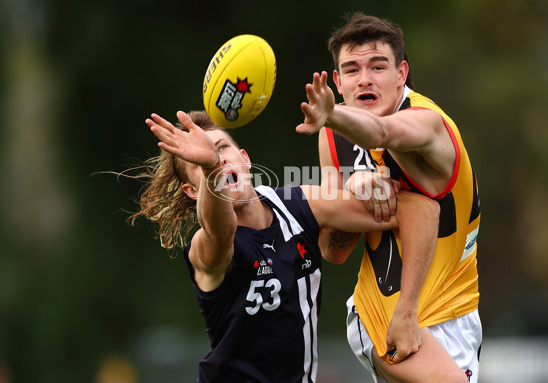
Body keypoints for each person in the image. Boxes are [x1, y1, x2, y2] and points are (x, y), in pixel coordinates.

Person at [128, 110, 465, 382]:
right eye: (203, 164)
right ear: (192, 191)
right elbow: (220, 230)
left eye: (224, 149)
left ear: (245, 159)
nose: (220, 160)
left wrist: (359, 181)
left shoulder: (298, 204)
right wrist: (212, 169)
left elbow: (420, 208)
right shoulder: (205, 247)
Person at [296, 12, 482, 382]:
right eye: (351, 70)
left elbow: (382, 132)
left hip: (458, 312)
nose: (364, 79)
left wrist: (332, 116)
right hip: (384, 314)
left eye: (377, 67)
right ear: (337, 81)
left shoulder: (427, 123)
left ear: (401, 74)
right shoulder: (332, 136)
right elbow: (334, 249)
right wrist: (353, 190)